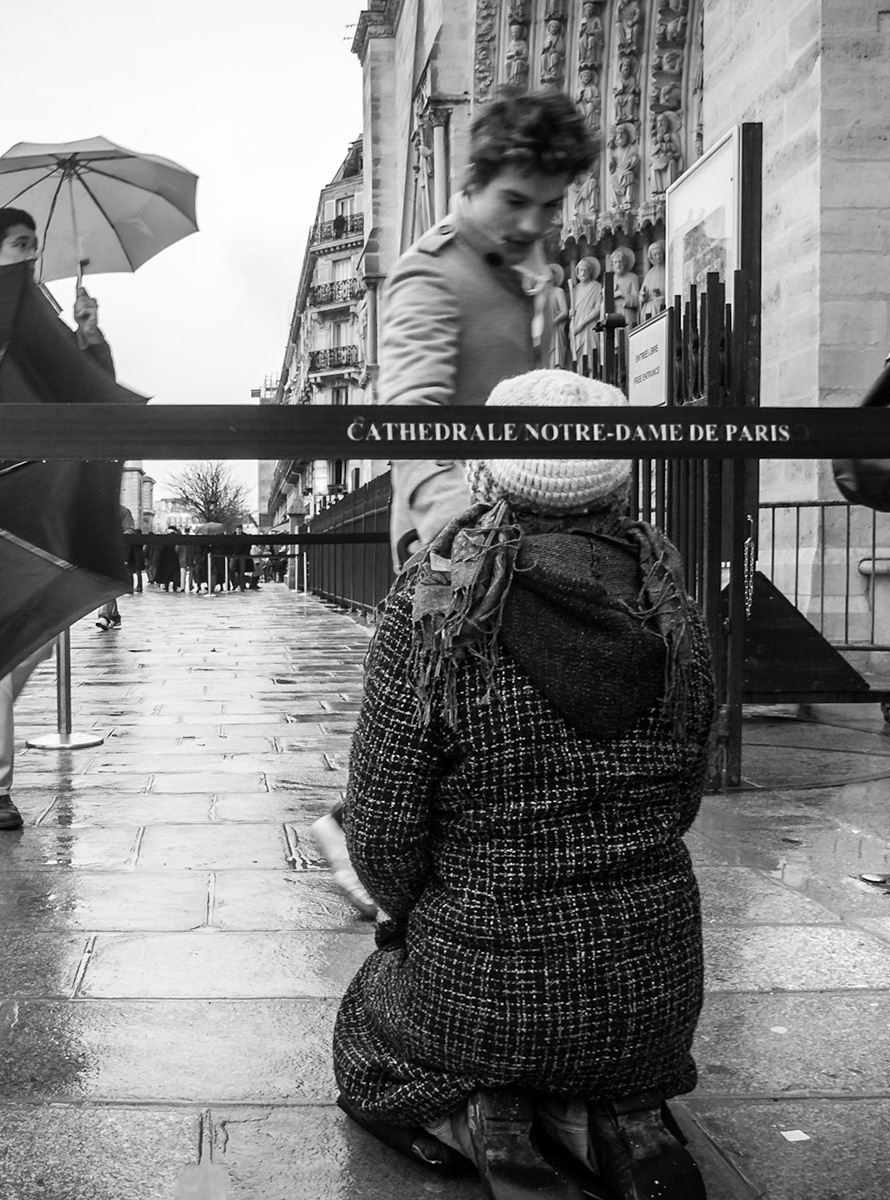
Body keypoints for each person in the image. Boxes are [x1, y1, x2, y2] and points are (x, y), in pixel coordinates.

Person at [333, 369, 713, 1200]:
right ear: (619, 480)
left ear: (489, 474)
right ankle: (613, 1114)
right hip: (652, 990)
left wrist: (412, 914)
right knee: (583, 1037)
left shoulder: (438, 604)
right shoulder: (669, 600)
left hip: (482, 980)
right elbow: (685, 796)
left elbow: (385, 830)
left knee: (369, 1021)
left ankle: (489, 1115)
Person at [317, 87, 599, 919]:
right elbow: (412, 413)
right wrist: (455, 532)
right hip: (456, 534)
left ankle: (384, 842)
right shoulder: (428, 274)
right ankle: (355, 834)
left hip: (519, 526)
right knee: (439, 707)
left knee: (467, 713)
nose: (531, 222)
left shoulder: (524, 269)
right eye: (514, 201)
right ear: (472, 184)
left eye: (548, 206)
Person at [0, 205, 119, 831]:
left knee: (41, 627)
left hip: (34, 491)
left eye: (34, 243)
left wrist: (88, 334)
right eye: (21, 243)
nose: (32, 253)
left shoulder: (41, 315)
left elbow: (89, 396)